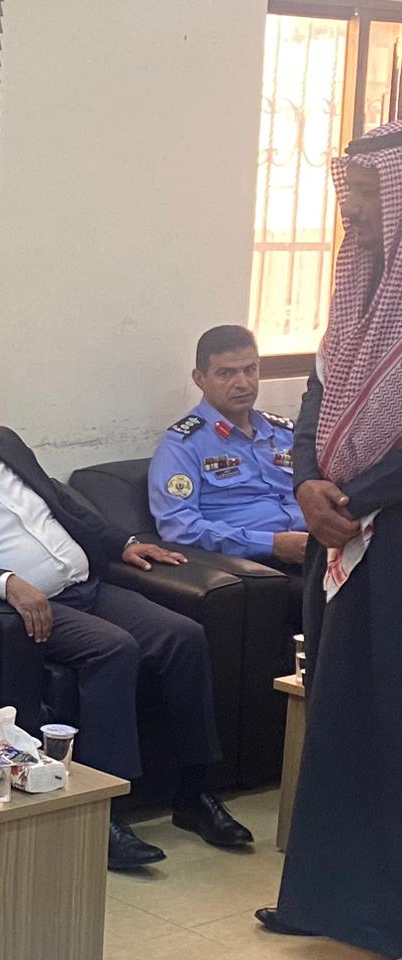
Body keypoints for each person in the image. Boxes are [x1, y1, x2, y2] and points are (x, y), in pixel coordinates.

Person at [0, 384, 253, 871]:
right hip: (30, 610)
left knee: (183, 636)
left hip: (88, 586)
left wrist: (123, 543)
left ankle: (193, 794)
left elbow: (62, 503)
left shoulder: (5, 444)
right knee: (114, 648)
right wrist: (3, 582)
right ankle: (103, 814)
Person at [256, 121, 402, 956]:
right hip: (342, 540)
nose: (357, 211)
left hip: (387, 535)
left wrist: (347, 497)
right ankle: (323, 897)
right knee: (337, 715)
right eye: (353, 193)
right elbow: (314, 409)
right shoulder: (352, 303)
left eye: (374, 193)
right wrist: (308, 485)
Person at [149, 325, 307, 565]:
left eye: (250, 370)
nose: (242, 383)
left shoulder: (285, 432)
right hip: (258, 562)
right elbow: (180, 527)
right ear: (199, 379)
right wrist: (270, 544)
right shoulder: (182, 445)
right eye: (226, 373)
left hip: (319, 547)